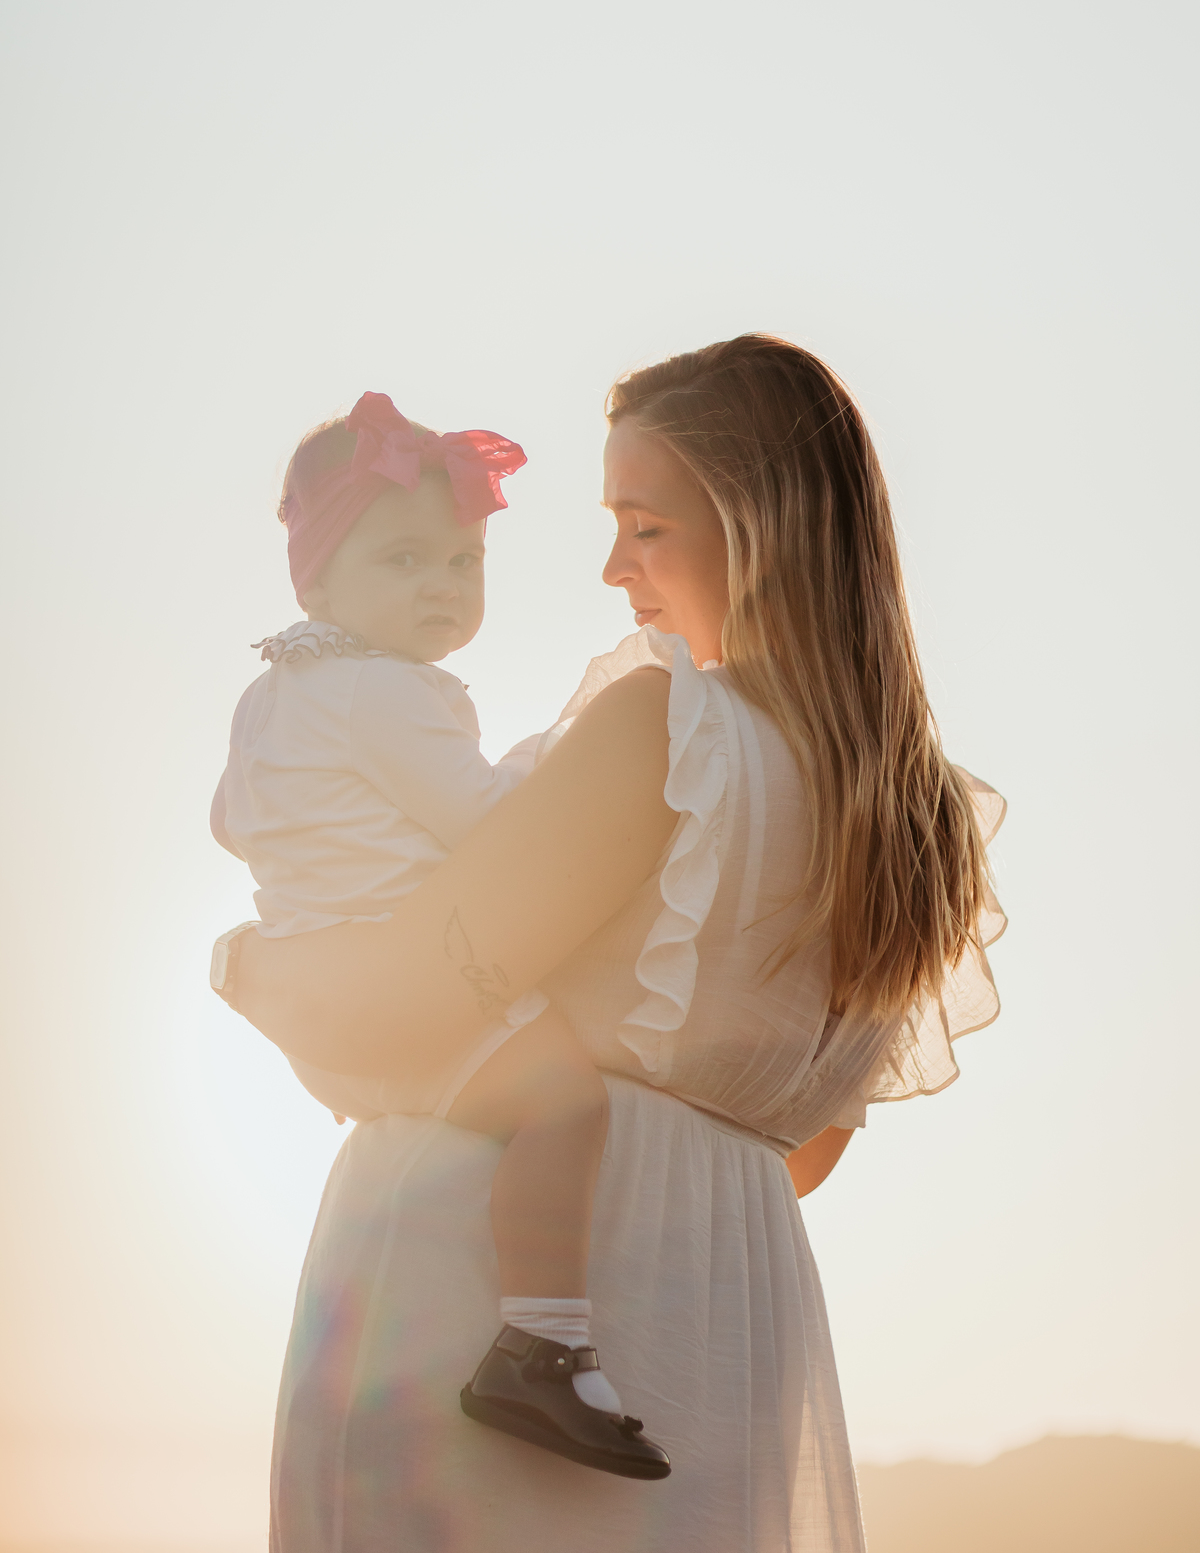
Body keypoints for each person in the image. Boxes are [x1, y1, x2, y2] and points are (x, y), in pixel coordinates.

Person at [214, 334, 1006, 1551]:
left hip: (476, 1294)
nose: (611, 568)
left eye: (645, 526)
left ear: (761, 526)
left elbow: (413, 1003)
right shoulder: (915, 818)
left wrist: (254, 971)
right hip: (719, 1300)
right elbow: (804, 1154)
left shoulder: (664, 729)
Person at [210, 389, 669, 1478]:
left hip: (329, 996)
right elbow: (488, 827)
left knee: (477, 1137)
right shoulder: (389, 694)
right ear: (317, 578)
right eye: (404, 561)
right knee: (565, 1104)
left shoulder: (271, 694)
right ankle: (543, 1343)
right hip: (414, 978)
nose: (441, 587)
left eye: (461, 565)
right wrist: (547, 758)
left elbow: (229, 820)